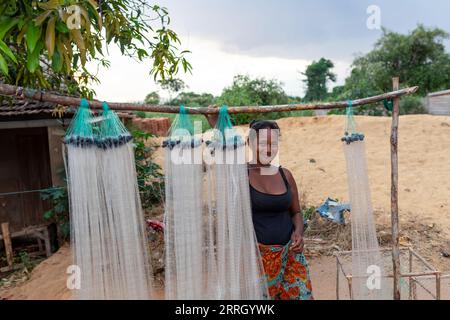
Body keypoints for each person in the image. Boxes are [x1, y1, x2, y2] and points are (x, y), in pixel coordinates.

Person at [247, 119, 313, 300]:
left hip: (291, 255)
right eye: (262, 143)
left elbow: (297, 212)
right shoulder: (241, 176)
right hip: (259, 262)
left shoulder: (285, 175)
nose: (269, 149)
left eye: (273, 143)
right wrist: (216, 124)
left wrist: (299, 233)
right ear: (249, 143)